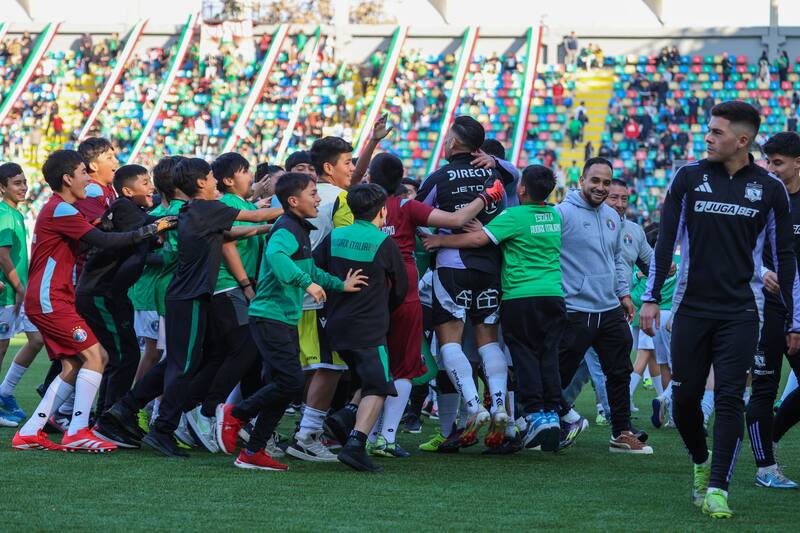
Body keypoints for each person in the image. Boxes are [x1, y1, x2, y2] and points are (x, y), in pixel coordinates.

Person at [640, 101, 800, 519]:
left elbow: (784, 255)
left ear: (742, 141)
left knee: (730, 397)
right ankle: (699, 459)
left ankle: (717, 489)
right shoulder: (688, 177)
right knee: (684, 401)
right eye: (708, 131)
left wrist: (790, 312)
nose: (708, 138)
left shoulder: (770, 189)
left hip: (744, 312)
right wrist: (651, 297)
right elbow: (665, 241)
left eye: (716, 132)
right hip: (691, 307)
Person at [340, 152, 503, 457]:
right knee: (405, 366)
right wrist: (486, 195)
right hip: (404, 290)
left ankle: (364, 431)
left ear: (370, 179)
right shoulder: (406, 206)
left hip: (366, 290)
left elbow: (352, 179)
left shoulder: (358, 204)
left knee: (376, 363)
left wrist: (373, 141)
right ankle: (385, 438)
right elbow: (457, 220)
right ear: (400, 181)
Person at [12, 150, 174, 452]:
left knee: (74, 364)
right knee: (97, 357)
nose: (89, 178)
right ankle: (78, 430)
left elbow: (100, 232)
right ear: (67, 178)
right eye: (83, 172)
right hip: (50, 298)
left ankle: (32, 430)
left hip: (53, 296)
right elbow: (103, 241)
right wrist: (152, 229)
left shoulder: (62, 209)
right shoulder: (61, 210)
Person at [215, 172, 366, 472]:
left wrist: (338, 284)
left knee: (282, 385)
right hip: (269, 316)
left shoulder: (299, 227)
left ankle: (253, 450)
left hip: (283, 317)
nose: (319, 199)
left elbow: (309, 269)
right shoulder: (286, 227)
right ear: (294, 201)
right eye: (313, 193)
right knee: (291, 382)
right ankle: (236, 413)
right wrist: (305, 283)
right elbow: (276, 256)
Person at [141, 157, 278, 458]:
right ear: (202, 182)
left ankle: (138, 415)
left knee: (186, 362)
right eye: (212, 176)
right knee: (184, 365)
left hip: (187, 297)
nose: (215, 180)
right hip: (188, 298)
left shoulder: (196, 209)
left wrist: (267, 225)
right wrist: (290, 207)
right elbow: (251, 219)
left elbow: (232, 233)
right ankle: (164, 426)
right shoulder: (208, 208)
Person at [423, 165, 566, 452]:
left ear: (522, 189)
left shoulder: (512, 216)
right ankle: (552, 414)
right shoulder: (555, 216)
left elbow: (479, 239)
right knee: (547, 355)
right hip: (553, 294)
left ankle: (534, 414)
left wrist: (440, 240)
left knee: (523, 355)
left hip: (521, 295)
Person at [415, 116, 513, 448]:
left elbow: (414, 214)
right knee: (488, 341)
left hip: (451, 266)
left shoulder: (439, 177)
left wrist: (433, 238)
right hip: (490, 266)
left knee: (450, 342)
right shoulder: (496, 175)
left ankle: (473, 406)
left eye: (447, 138)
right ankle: (498, 405)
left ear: (455, 144)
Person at [555, 157, 650, 454]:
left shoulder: (612, 217)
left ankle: (621, 432)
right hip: (575, 309)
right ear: (581, 180)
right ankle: (540, 421)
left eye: (606, 182)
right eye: (594, 180)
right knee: (559, 371)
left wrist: (623, 294)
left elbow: (616, 261)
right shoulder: (562, 214)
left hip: (609, 308)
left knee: (620, 371)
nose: (600, 187)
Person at [314, 183, 408, 472]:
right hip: (368, 326)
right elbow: (401, 288)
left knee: (364, 380)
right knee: (379, 384)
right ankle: (356, 442)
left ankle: (344, 417)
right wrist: (383, 308)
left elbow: (313, 267)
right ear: (383, 211)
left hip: (336, 323)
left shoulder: (335, 235)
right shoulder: (383, 242)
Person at [75, 165, 160, 418]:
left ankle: (106, 416)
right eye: (145, 183)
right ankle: (110, 418)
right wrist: (176, 217)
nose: (151, 188)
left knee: (122, 355)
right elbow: (148, 225)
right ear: (126, 190)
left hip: (109, 294)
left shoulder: (133, 211)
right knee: (123, 356)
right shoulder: (124, 208)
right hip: (101, 293)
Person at [745, 131, 800, 489]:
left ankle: (774, 431)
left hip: (798, 311)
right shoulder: (762, 196)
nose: (770, 168)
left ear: (798, 162)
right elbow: (739, 246)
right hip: (766, 311)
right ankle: (765, 467)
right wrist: (762, 272)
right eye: (767, 161)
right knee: (763, 388)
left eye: (777, 162)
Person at [0, 163, 44, 426]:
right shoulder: (5, 214)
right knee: (2, 348)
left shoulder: (16, 213)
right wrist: (18, 287)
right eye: (16, 183)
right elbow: (3, 255)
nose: (23, 187)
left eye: (24, 182)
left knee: (37, 340)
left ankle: (5, 391)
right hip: (9, 294)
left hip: (20, 291)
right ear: (2, 187)